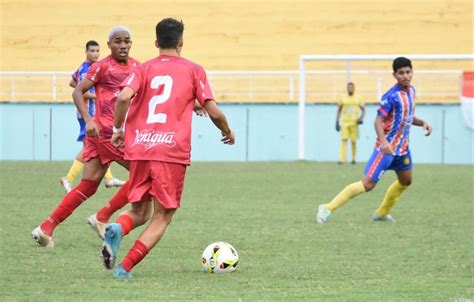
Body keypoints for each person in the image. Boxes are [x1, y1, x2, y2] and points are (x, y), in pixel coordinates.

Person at [101, 18, 235, 279]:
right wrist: (227, 131)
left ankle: (118, 226)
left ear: (156, 42)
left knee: (140, 210)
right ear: (181, 42)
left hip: (139, 148)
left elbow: (124, 96)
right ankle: (124, 267)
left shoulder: (143, 68)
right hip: (170, 152)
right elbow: (213, 110)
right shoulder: (193, 70)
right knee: (163, 216)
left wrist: (118, 130)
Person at [31, 26, 141, 247]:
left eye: (126, 41)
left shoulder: (139, 67)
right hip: (108, 134)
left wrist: (193, 104)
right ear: (109, 45)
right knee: (145, 175)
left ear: (131, 44)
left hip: (109, 135)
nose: (122, 45)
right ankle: (101, 217)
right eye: (117, 41)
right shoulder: (101, 67)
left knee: (88, 185)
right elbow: (77, 91)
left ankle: (45, 228)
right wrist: (88, 119)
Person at [317, 57, 433, 224]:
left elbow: (407, 117)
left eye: (408, 72)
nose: (405, 76)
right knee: (367, 185)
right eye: (401, 73)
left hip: (402, 149)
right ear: (394, 75)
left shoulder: (412, 91)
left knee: (406, 180)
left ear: (412, 72)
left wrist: (422, 123)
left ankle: (382, 213)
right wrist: (384, 142)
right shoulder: (391, 96)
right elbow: (378, 121)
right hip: (385, 149)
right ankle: (327, 207)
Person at [60, 40, 125, 193]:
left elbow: (72, 82)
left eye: (97, 51)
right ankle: (68, 178)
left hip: (92, 114)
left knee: (98, 146)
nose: (95, 54)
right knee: (90, 147)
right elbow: (78, 90)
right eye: (92, 51)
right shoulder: (88, 69)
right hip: (88, 115)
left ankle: (108, 178)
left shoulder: (85, 67)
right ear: (86, 52)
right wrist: (98, 97)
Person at [335, 82, 365, 164]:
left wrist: (361, 118)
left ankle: (353, 159)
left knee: (353, 141)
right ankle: (341, 159)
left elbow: (363, 110)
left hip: (354, 123)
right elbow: (339, 110)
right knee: (344, 140)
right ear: (347, 88)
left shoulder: (358, 98)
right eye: (348, 87)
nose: (350, 89)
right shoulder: (343, 98)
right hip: (344, 122)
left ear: (354, 88)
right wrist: (337, 121)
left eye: (351, 87)